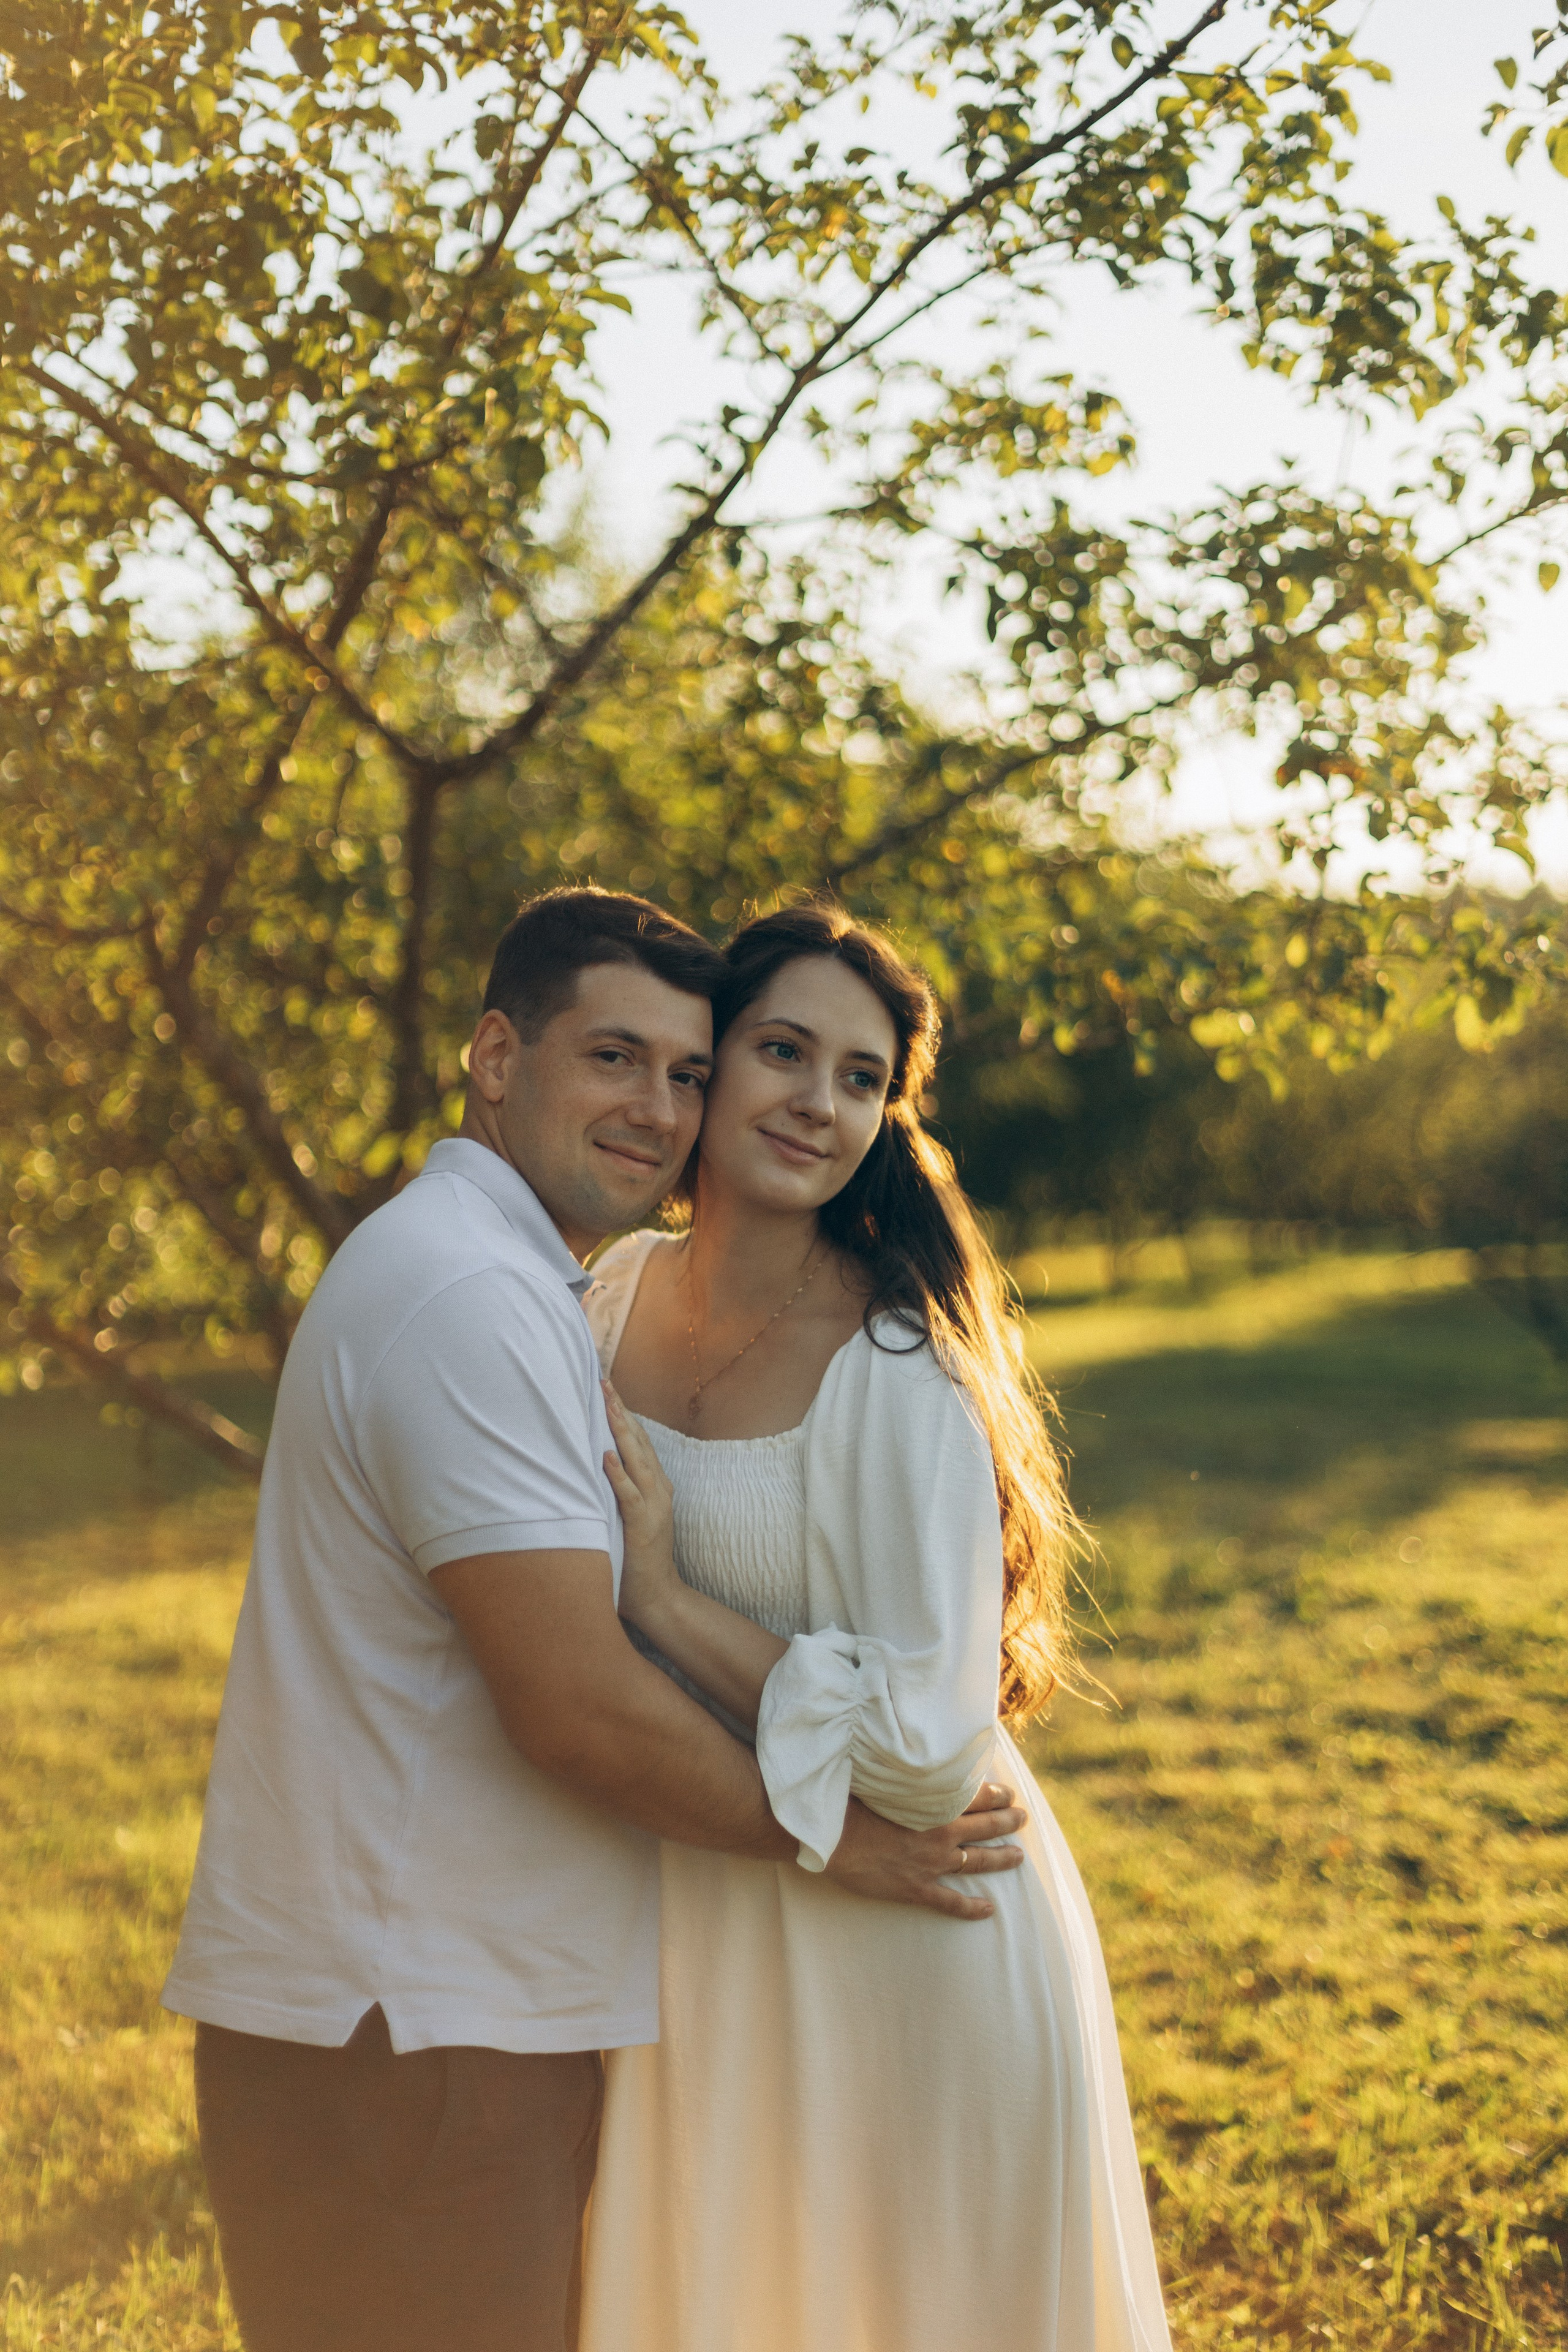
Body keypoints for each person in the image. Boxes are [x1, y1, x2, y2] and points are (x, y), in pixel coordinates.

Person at [160, 888, 1027, 2352]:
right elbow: (576, 1708)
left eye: (683, 1071)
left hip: (456, 2011)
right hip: (410, 2020)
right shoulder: (478, 1299)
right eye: (613, 1058)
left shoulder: (519, 1278)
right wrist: (838, 1839)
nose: (655, 1108)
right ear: (497, 1057)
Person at [579, 903, 1173, 2352]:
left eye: (862, 1080)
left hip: (916, 1928)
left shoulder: (896, 1370)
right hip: (707, 1895)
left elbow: (920, 1750)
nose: (818, 1103)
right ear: (706, 1063)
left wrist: (663, 1601)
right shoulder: (605, 1292)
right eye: (783, 1051)